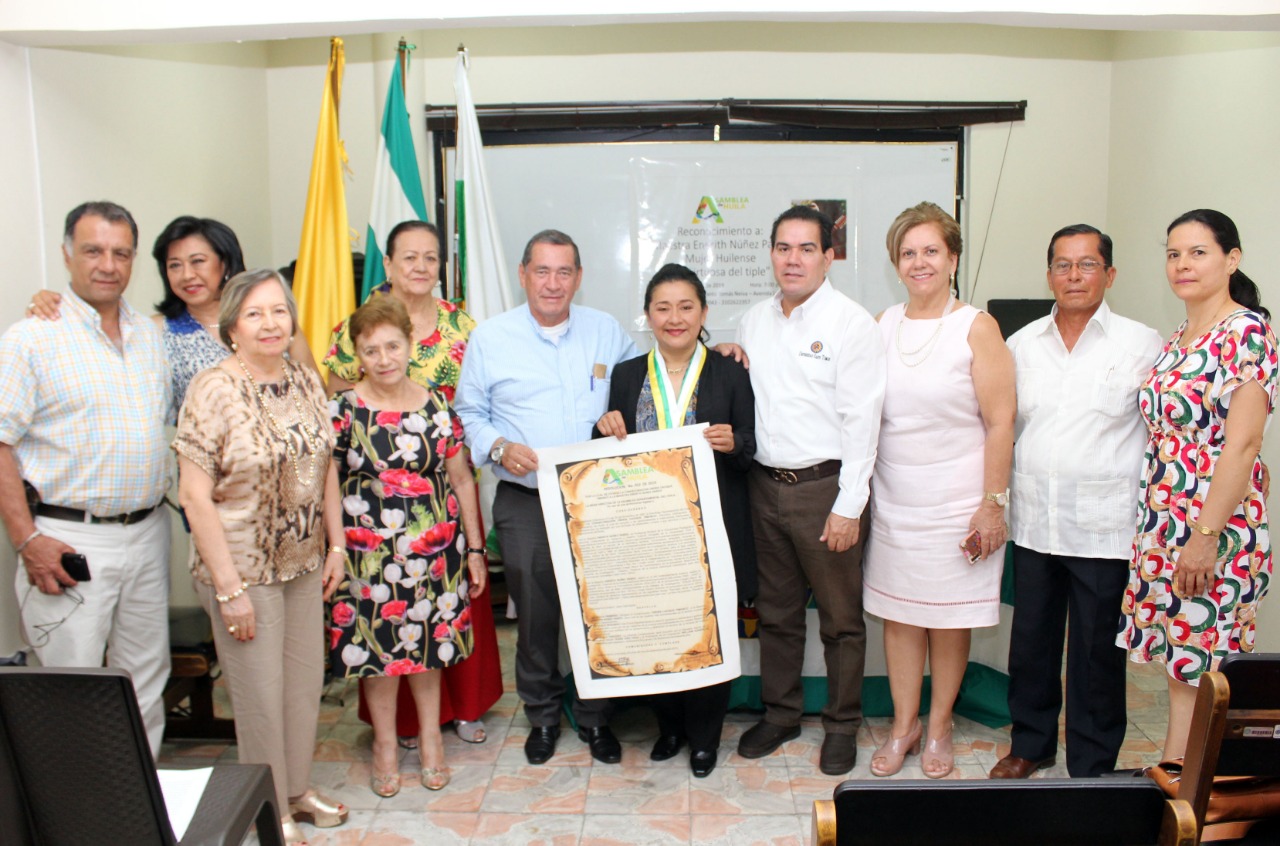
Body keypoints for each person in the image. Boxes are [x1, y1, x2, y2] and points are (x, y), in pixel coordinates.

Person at [174, 269, 346, 845]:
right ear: (231, 327)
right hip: (242, 571)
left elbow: (326, 468)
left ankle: (297, 789)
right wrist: (228, 589)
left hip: (302, 563)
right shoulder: (212, 388)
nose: (270, 323)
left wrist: (337, 543)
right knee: (259, 697)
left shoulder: (302, 377)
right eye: (254, 314)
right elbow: (194, 495)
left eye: (278, 311)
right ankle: (268, 805)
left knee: (301, 686)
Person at [455, 229, 638, 765]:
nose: (553, 283)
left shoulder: (606, 332)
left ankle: (597, 717)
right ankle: (541, 716)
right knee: (535, 617)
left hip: (596, 501)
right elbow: (468, 413)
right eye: (542, 271)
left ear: (579, 278)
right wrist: (498, 445)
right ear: (523, 274)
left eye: (564, 272)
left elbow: (641, 390)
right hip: (525, 498)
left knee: (597, 612)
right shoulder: (491, 337)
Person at [990, 225, 1163, 780]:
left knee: (1095, 656)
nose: (1073, 275)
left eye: (1087, 265)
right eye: (1062, 265)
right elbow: (1001, 428)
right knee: (1031, 647)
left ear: (1109, 274)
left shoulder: (1143, 344)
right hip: (1036, 523)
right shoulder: (1020, 345)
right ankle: (1031, 744)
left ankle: (1092, 762)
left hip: (1104, 528)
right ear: (1048, 275)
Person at [0, 201, 172, 756]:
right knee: (71, 689)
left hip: (147, 533)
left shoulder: (150, 336)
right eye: (94, 250)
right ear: (67, 255)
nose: (108, 264)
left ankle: (136, 814)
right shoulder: (31, 338)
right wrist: (27, 540)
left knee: (145, 680)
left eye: (121, 253)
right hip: (69, 538)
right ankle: (76, 820)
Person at [325, 220, 502, 748]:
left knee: (449, 616)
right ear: (389, 264)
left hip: (445, 484)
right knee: (385, 619)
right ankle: (398, 729)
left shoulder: (464, 327)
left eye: (431, 258)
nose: (421, 267)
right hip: (371, 506)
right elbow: (338, 402)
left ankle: (464, 710)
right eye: (409, 257)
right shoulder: (355, 325)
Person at [861, 201, 1015, 778]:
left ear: (952, 258)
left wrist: (991, 504)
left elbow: (1001, 420)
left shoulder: (976, 325)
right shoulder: (882, 324)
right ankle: (905, 725)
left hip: (959, 504)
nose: (919, 262)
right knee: (901, 619)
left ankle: (941, 724)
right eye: (908, 253)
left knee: (947, 622)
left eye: (931, 251)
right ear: (895, 263)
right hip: (897, 499)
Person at [1117, 209, 1276, 761]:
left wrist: (1205, 534)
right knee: (1183, 663)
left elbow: (1243, 445)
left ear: (1231, 259)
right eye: (1173, 253)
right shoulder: (1183, 334)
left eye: (1198, 252)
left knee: (1204, 663)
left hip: (1214, 529)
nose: (1183, 264)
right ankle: (1176, 775)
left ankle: (1202, 796)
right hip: (1166, 523)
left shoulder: (1246, 332)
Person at [734, 206, 886, 776]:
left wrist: (849, 507)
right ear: (771, 253)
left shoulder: (851, 324)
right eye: (782, 247)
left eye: (805, 248)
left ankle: (842, 725)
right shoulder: (754, 320)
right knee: (776, 613)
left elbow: (863, 422)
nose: (792, 259)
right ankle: (781, 713)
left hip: (826, 490)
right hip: (764, 489)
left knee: (842, 620)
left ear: (828, 256)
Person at [594, 263, 757, 778]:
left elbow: (752, 447)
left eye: (686, 306)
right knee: (656, 630)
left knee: (708, 632)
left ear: (704, 313)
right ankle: (669, 726)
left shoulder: (730, 372)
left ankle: (705, 738)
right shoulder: (626, 375)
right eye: (662, 307)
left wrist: (736, 445)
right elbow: (605, 457)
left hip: (712, 532)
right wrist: (604, 428)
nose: (674, 317)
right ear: (648, 315)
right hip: (648, 534)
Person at [26, 215, 316, 419]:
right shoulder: (152, 330)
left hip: (293, 468)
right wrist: (51, 302)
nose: (187, 275)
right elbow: (97, 339)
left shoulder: (273, 323)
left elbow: (316, 398)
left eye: (198, 262)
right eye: (174, 265)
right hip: (214, 486)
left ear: (225, 262)